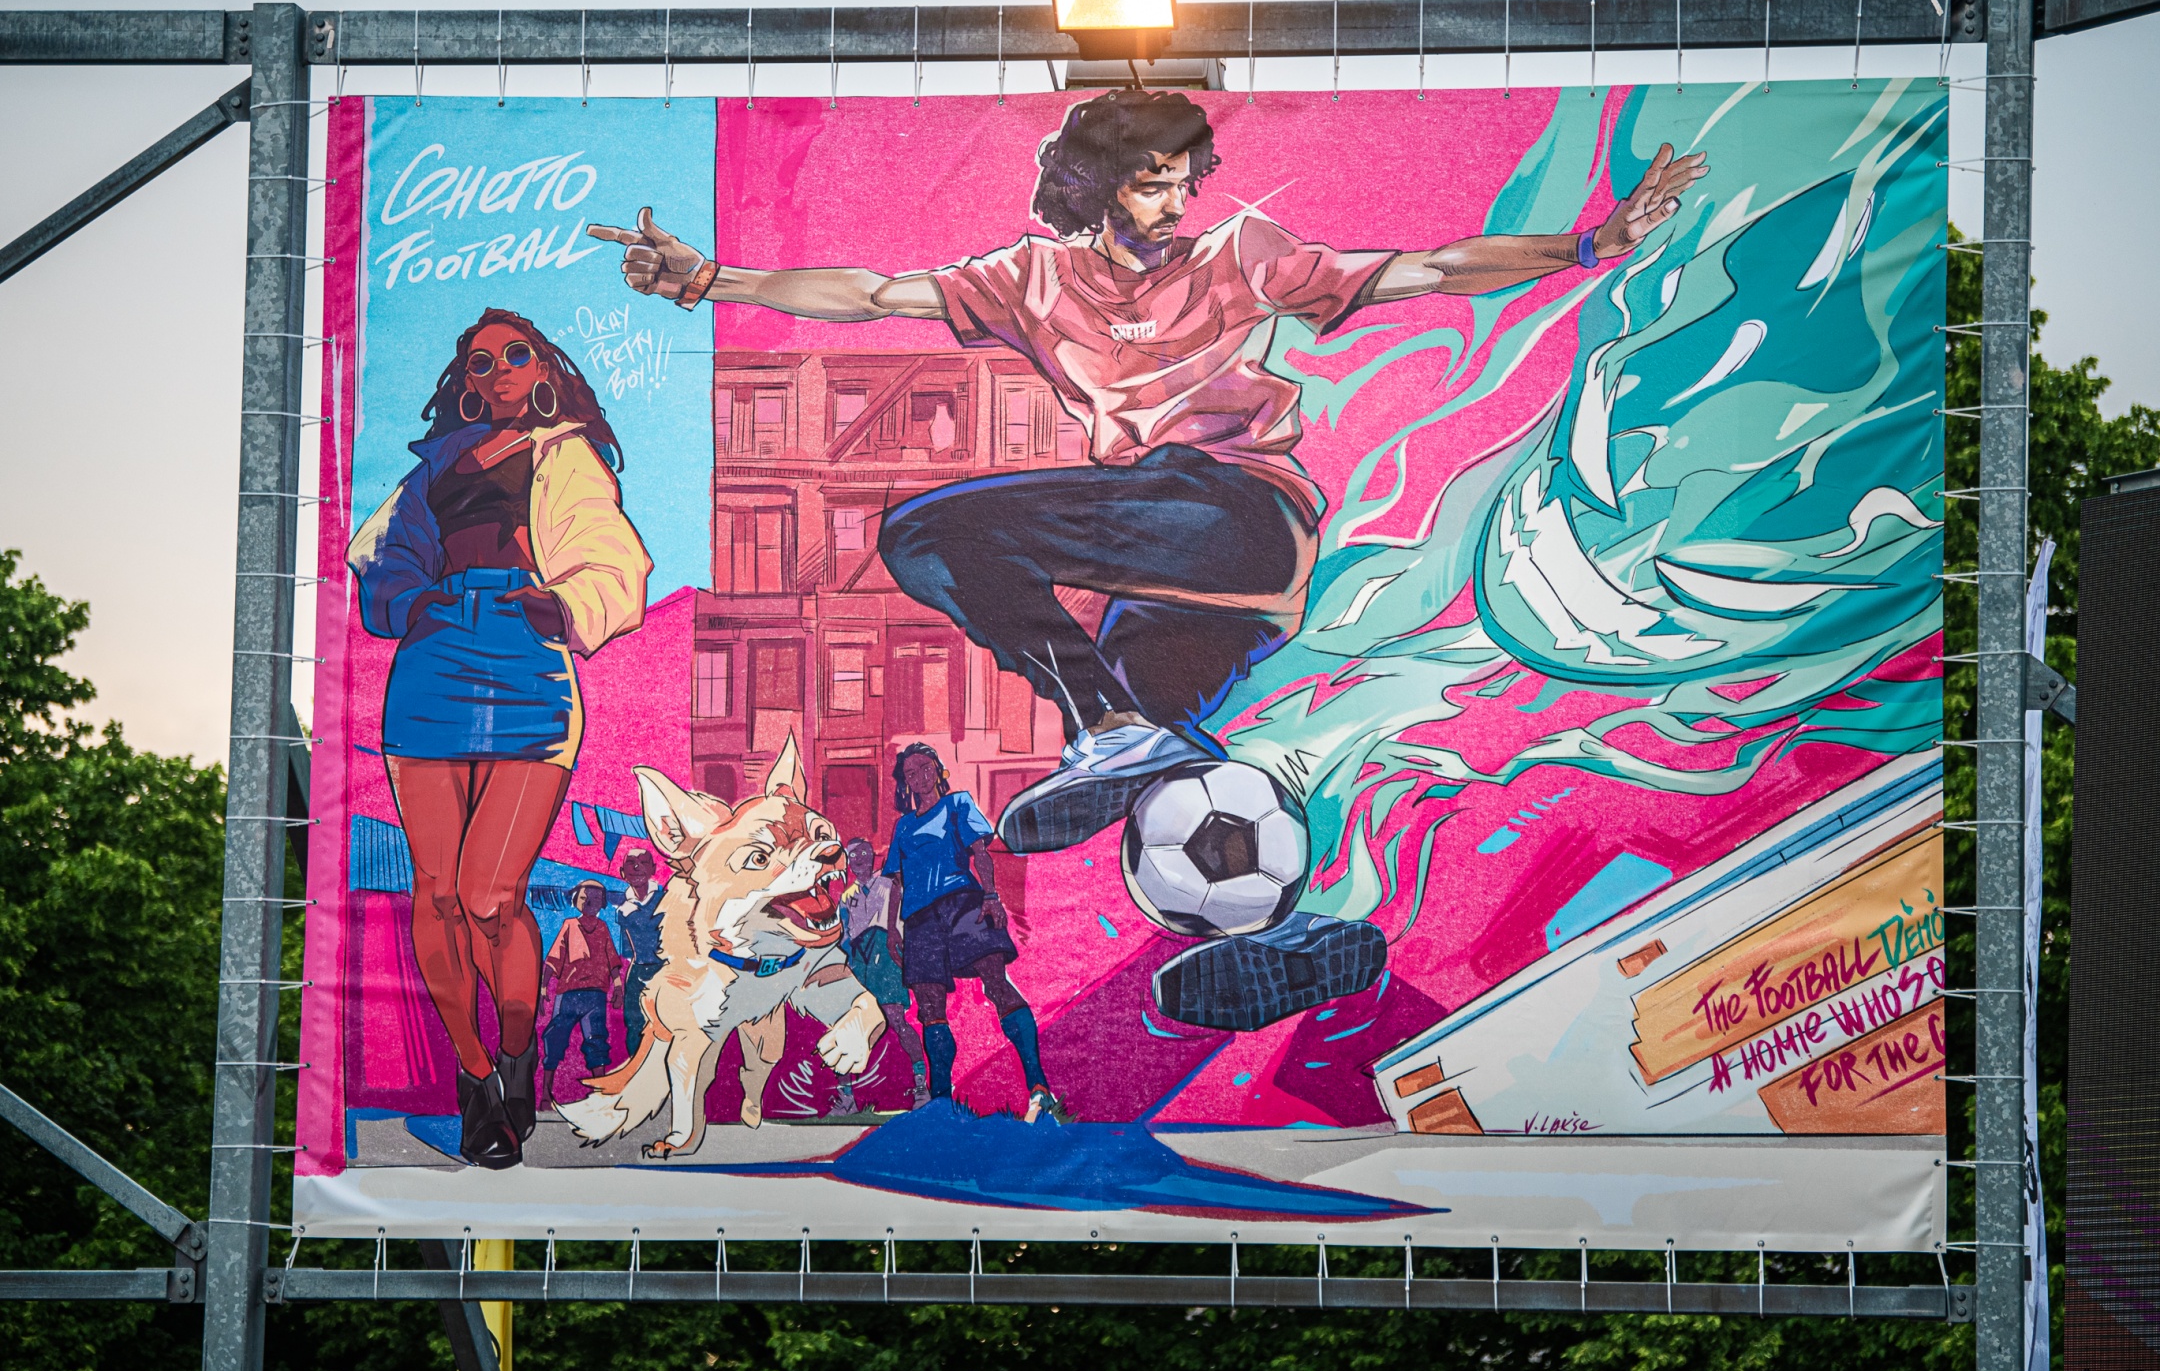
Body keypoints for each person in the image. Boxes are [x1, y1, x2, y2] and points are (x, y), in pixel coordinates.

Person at [587, 90, 1705, 1031]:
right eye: (1152, 185)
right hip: (1191, 585)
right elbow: (875, 296)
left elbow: (1425, 269)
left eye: (1183, 183)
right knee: (1175, 789)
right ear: (1095, 188)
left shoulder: (1239, 256)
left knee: (930, 534)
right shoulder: (1033, 279)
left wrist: (1592, 245)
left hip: (1235, 513)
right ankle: (1293, 928)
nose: (1176, 206)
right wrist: (713, 281)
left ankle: (1111, 727)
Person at [349, 306, 652, 1167]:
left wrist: (565, 603)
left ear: (543, 367)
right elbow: (382, 553)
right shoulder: (436, 465)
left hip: (526, 659)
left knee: (490, 896)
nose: (500, 370)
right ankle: (477, 1078)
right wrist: (411, 597)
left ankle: (517, 1051)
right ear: (468, 384)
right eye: (481, 363)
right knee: (438, 894)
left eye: (516, 355)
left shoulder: (566, 453)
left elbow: (613, 556)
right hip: (434, 658)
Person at [882, 745, 1066, 1122]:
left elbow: (981, 852)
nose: (919, 777)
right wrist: (891, 929)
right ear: (905, 783)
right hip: (919, 920)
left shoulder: (958, 804)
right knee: (929, 1007)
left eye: (925, 768)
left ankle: (1039, 1087)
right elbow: (897, 883)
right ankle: (940, 1101)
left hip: (963, 904)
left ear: (938, 770)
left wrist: (991, 896)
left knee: (996, 983)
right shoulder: (903, 827)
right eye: (911, 773)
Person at [835, 837, 929, 1109]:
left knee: (896, 1019)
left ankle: (921, 1085)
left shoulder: (889, 885)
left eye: (864, 853)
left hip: (885, 956)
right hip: (858, 959)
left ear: (873, 855)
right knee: (849, 1025)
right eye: (853, 855)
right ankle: (846, 1097)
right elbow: (844, 935)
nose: (859, 859)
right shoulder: (846, 897)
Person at [541, 881, 626, 1105]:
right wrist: (543, 987)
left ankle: (600, 1096)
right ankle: (546, 1096)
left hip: (595, 996)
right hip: (568, 994)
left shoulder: (603, 928)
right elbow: (554, 958)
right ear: (575, 900)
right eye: (584, 898)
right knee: (555, 1040)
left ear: (603, 903)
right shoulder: (569, 925)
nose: (589, 902)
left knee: (597, 1043)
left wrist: (618, 986)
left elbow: (612, 960)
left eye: (596, 899)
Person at [614, 848, 666, 1049]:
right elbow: (628, 949)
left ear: (653, 869)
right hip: (638, 969)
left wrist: (634, 915)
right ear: (622, 872)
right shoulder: (623, 908)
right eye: (631, 863)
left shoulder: (665, 898)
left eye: (643, 862)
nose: (637, 867)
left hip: (665, 969)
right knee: (634, 1023)